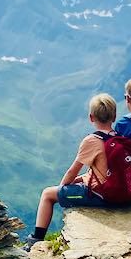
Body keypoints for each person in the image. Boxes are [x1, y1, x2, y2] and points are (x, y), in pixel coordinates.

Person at [24, 93, 117, 250]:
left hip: (102, 196)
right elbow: (104, 170)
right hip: (118, 191)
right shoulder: (119, 138)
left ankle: (35, 241)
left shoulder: (92, 140)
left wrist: (62, 189)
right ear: (114, 117)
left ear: (91, 117)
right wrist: (82, 180)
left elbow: (72, 171)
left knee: (48, 194)